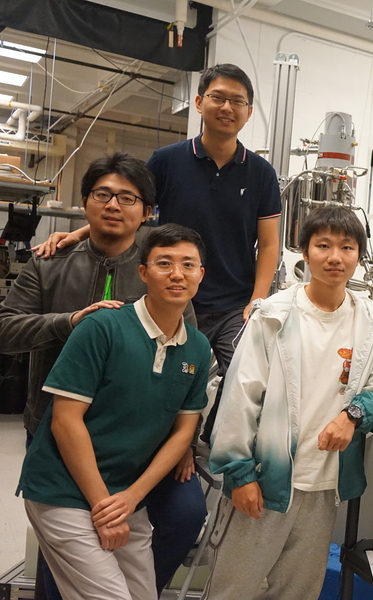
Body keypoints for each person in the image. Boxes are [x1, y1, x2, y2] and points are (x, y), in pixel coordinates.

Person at [33, 63, 282, 440]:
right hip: (171, 295)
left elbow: (269, 244)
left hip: (234, 303)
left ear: (248, 112)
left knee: (247, 377)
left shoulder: (261, 173)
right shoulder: (167, 160)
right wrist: (79, 232)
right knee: (156, 380)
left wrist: (258, 299)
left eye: (238, 101)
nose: (227, 108)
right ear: (199, 102)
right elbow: (132, 206)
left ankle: (207, 449)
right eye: (218, 98)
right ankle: (152, 447)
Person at [0, 153, 207, 595]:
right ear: (85, 201)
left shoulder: (159, 266)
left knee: (185, 514)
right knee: (67, 548)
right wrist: (67, 321)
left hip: (139, 438)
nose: (114, 205)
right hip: (59, 421)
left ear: (146, 211)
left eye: (127, 198)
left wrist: (184, 440)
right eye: (103, 195)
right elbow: (4, 329)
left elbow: (183, 358)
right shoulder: (49, 261)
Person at [202, 206, 373, 600]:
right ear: (304, 252)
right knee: (232, 590)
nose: (335, 257)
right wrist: (239, 475)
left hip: (324, 485)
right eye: (323, 245)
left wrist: (353, 415)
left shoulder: (372, 319)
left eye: (346, 247)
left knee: (298, 593)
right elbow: (239, 398)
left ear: (358, 256)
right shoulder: (273, 315)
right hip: (264, 478)